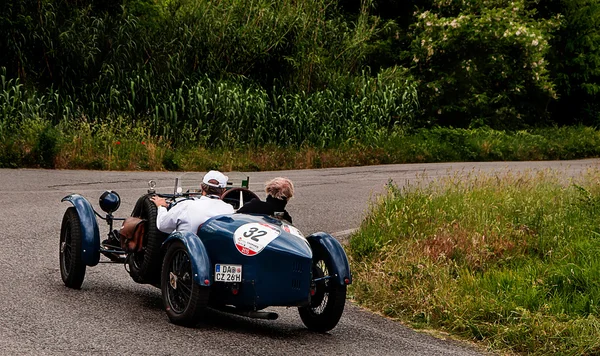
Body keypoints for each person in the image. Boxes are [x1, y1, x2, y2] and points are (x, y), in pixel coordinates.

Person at [150, 170, 234, 233]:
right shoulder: (230, 210)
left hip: (187, 252)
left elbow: (162, 225)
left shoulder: (186, 205)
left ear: (202, 187)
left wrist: (161, 206)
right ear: (223, 191)